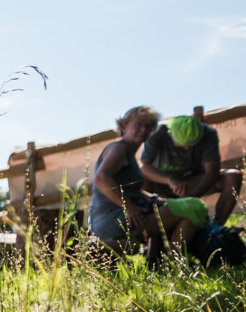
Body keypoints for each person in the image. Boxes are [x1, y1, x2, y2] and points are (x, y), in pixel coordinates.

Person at [140, 113, 238, 250]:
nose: (187, 148)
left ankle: (215, 229)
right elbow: (144, 165)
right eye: (183, 145)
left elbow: (212, 172)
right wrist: (170, 180)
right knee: (142, 178)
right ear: (170, 134)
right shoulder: (156, 135)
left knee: (233, 175)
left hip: (193, 182)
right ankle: (153, 242)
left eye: (192, 145)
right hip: (162, 183)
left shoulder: (208, 133)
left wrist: (190, 198)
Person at [88, 105, 164, 256]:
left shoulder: (129, 153)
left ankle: (156, 261)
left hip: (113, 215)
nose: (144, 130)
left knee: (165, 206)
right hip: (109, 218)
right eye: (139, 124)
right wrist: (129, 206)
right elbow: (101, 178)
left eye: (148, 126)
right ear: (124, 125)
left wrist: (152, 198)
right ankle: (167, 262)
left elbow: (130, 189)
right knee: (179, 212)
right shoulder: (119, 148)